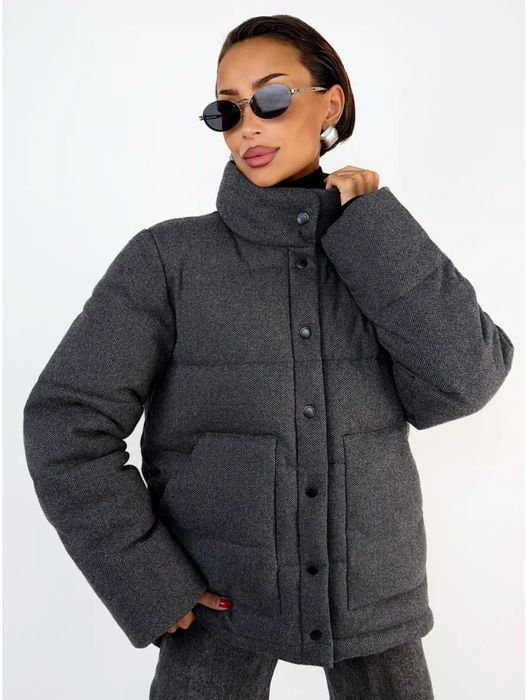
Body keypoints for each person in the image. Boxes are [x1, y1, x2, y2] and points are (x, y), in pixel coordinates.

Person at [23, 13, 514, 700]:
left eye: (272, 98)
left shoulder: (376, 248)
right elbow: (64, 422)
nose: (248, 126)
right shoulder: (167, 260)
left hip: (374, 597)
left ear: (330, 104)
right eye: (227, 110)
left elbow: (464, 382)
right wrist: (149, 581)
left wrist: (375, 225)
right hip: (216, 599)